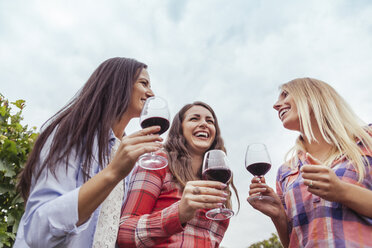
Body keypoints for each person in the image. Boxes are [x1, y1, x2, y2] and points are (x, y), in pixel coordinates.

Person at [14, 57, 163, 247]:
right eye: (144, 83)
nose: (151, 93)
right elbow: (39, 229)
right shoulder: (72, 132)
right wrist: (113, 173)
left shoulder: (125, 154)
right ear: (118, 83)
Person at [248, 77, 372, 247]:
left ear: (313, 96)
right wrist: (278, 216)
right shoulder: (286, 171)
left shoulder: (367, 140)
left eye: (285, 95)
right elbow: (294, 241)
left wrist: (342, 191)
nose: (276, 105)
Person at [117, 101, 239, 247]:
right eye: (194, 118)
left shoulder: (219, 181)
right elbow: (124, 233)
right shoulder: (159, 163)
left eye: (210, 121)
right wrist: (178, 214)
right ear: (179, 128)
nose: (204, 124)